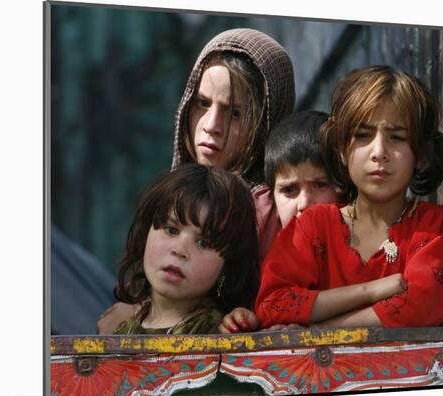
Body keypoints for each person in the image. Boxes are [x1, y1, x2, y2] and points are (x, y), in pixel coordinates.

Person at [97, 28, 295, 334]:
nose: (211, 126)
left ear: (267, 121)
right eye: (202, 103)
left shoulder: (267, 207)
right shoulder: (179, 191)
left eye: (236, 114)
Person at [255, 65, 443, 329]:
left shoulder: (431, 227)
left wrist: (319, 331)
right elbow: (273, 304)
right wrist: (372, 290)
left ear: (419, 154)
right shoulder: (312, 227)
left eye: (396, 137)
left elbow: (422, 305)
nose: (379, 152)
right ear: (341, 149)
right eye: (363, 136)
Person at [219, 110, 342, 333]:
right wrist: (246, 320)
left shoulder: (360, 242)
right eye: (289, 190)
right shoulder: (267, 245)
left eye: (320, 185)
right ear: (272, 196)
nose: (304, 203)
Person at [111, 164, 259, 334]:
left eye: (204, 243)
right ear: (146, 235)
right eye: (171, 230)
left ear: (227, 265)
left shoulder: (220, 334)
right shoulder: (120, 333)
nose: (180, 250)